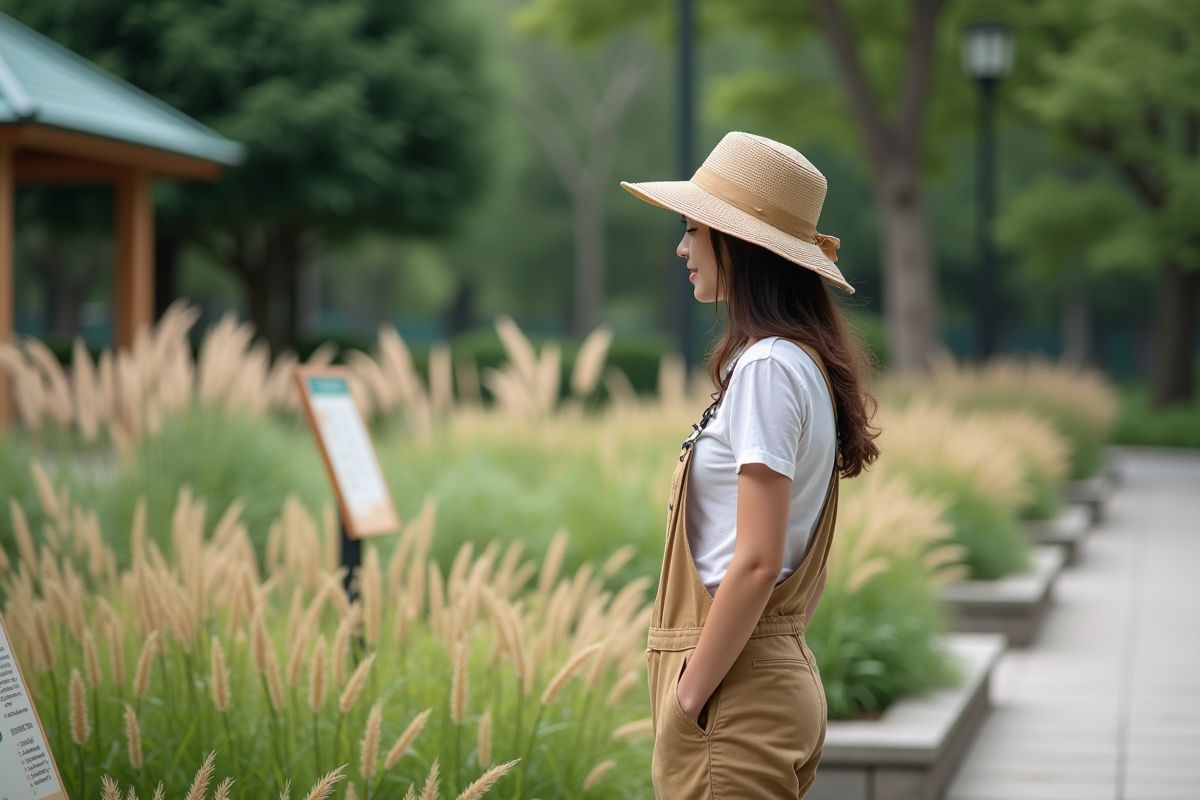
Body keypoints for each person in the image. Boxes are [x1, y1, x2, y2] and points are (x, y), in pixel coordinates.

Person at [620, 131, 880, 798]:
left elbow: (762, 560)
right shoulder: (803, 365)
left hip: (732, 697)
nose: (682, 247)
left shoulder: (767, 367)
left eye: (693, 230)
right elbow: (803, 568)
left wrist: (690, 697)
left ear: (738, 243)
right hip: (765, 674)